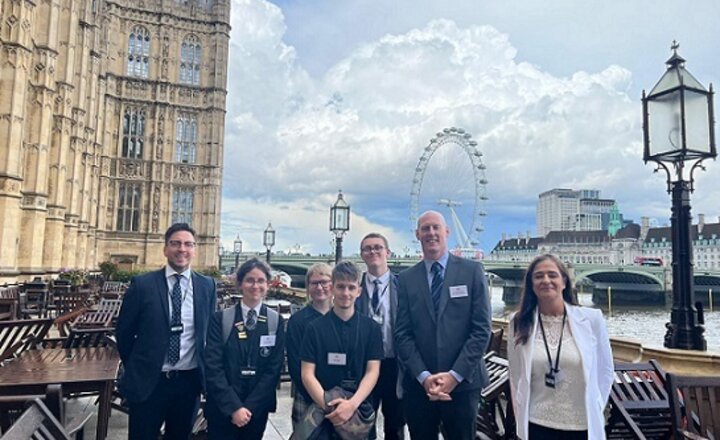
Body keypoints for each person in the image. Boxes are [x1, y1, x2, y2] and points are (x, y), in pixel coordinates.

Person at [394, 210, 491, 440]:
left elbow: (481, 329)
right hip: (420, 387)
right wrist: (424, 376)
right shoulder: (406, 278)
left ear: (447, 232)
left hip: (463, 385)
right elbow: (402, 333)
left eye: (435, 227)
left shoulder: (472, 271)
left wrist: (454, 376)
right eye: (425, 228)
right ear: (417, 234)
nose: (431, 233)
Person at [116, 223, 217, 440]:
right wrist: (138, 365)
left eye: (188, 244)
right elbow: (124, 333)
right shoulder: (143, 284)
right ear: (165, 249)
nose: (182, 249)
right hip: (150, 381)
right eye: (176, 243)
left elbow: (209, 334)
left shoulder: (207, 286)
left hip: (188, 383)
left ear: (194, 249)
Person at [507, 254, 613, 440]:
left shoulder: (591, 319)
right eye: (539, 276)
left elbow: (605, 370)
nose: (546, 280)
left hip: (582, 424)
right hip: (537, 423)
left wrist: (596, 405)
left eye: (552, 275)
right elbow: (516, 377)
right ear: (531, 285)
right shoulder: (518, 322)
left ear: (564, 282)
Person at [203, 258, 287, 439]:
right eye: (250, 280)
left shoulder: (275, 321)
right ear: (240, 283)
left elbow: (274, 369)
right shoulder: (220, 319)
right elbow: (213, 366)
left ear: (268, 284)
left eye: (261, 281)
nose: (255, 286)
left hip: (256, 410)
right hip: (222, 408)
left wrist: (249, 407)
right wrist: (234, 407)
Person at [300, 261, 384, 438]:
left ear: (359, 291)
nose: (346, 293)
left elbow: (373, 371)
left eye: (351, 288)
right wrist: (331, 407)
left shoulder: (372, 328)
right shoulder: (314, 328)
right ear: (332, 289)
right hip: (325, 413)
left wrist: (351, 405)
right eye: (341, 287)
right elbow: (307, 373)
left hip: (359, 409)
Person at [356, 233, 405, 440]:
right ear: (362, 255)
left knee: (395, 425)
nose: (373, 252)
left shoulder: (403, 286)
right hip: (365, 366)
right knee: (364, 425)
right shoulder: (354, 289)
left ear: (388, 252)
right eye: (368, 249)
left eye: (378, 247)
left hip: (396, 365)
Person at [286, 262, 334, 435]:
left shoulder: (343, 316)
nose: (320, 287)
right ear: (308, 287)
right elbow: (295, 365)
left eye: (324, 282)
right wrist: (319, 398)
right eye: (314, 283)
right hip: (306, 396)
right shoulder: (298, 321)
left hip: (338, 397)